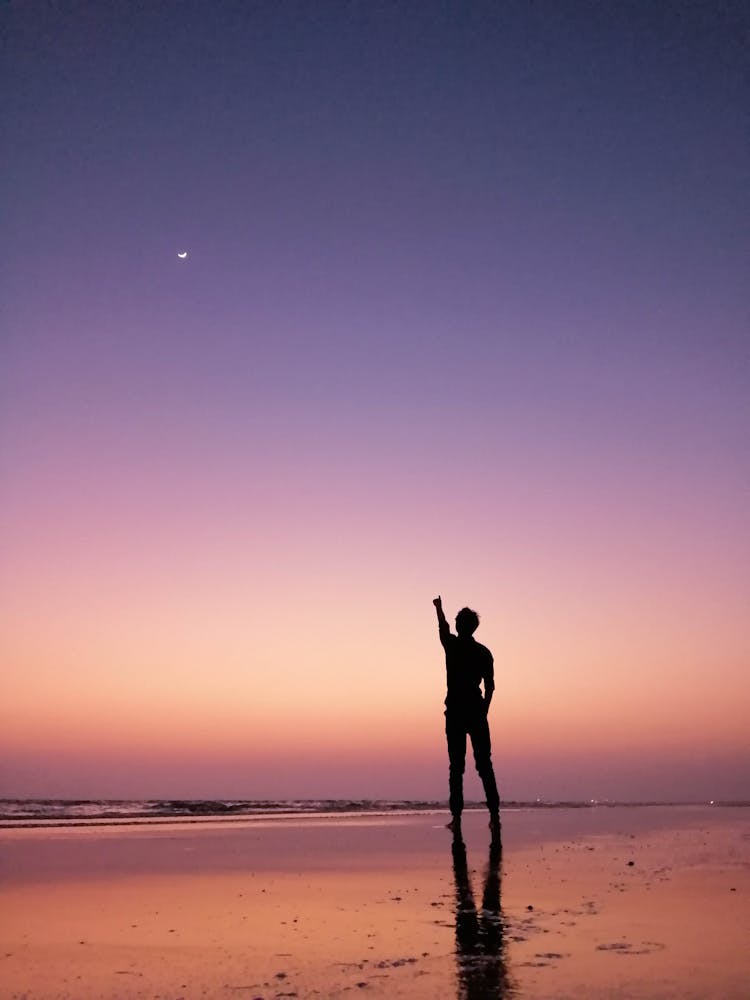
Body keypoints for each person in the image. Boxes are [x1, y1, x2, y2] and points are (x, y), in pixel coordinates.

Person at [433, 595, 500, 838]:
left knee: (457, 767)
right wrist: (485, 709)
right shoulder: (483, 652)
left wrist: (439, 609)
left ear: (460, 626)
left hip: (456, 712)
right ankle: (494, 817)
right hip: (475, 710)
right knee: (485, 765)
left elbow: (443, 628)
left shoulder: (452, 646)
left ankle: (457, 819)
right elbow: (491, 686)